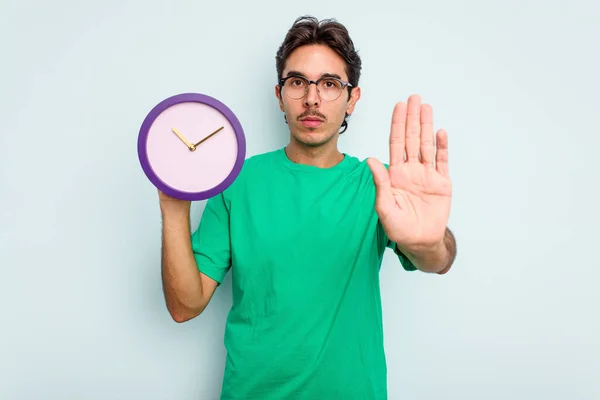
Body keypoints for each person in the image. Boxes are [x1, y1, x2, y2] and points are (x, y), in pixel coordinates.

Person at [158, 15, 457, 400]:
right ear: (279, 94)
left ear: (352, 99)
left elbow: (439, 259)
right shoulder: (237, 182)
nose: (312, 98)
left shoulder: (381, 184)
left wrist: (430, 242)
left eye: (330, 84)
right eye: (297, 82)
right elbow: (185, 306)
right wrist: (174, 206)